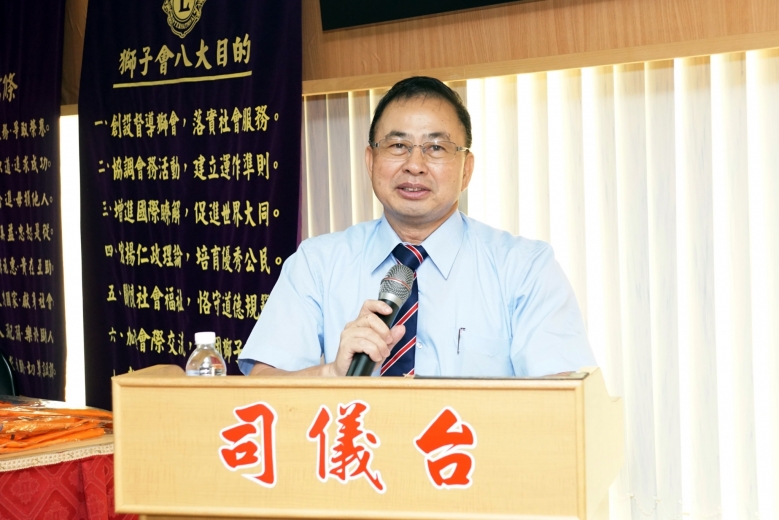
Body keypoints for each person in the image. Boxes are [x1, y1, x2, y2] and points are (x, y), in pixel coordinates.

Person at [238, 76, 596, 377]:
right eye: (398, 145)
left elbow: (565, 398)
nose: (415, 164)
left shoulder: (524, 269)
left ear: (466, 170)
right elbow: (262, 389)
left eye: (436, 148)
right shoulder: (317, 263)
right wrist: (331, 374)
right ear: (370, 161)